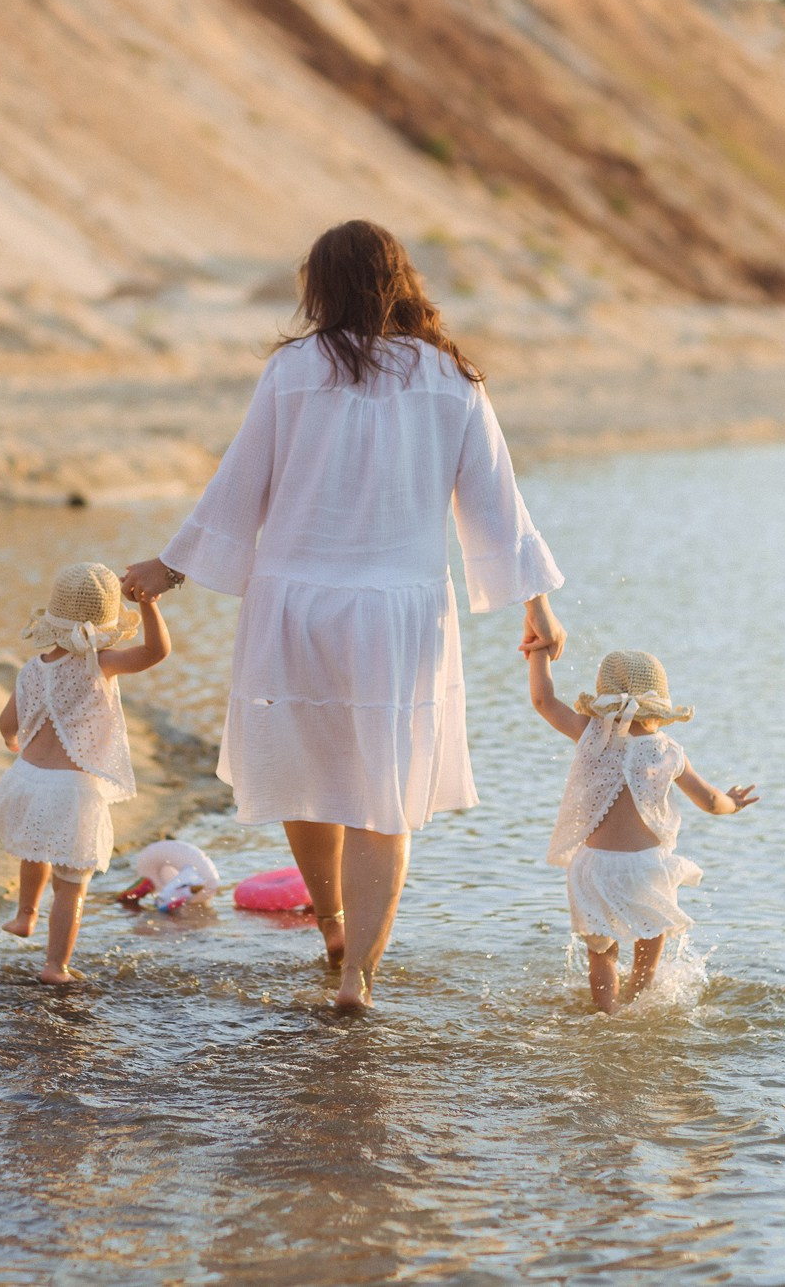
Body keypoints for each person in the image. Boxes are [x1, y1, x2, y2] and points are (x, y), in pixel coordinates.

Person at [123, 219, 565, 1011]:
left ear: (321, 286)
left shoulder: (294, 369)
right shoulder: (450, 376)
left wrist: (170, 567)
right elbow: (497, 505)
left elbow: (240, 482)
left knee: (303, 774)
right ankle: (358, 972)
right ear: (402, 281)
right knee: (381, 796)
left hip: (295, 601)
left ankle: (330, 924)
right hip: (400, 615)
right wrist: (537, 605)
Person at [529, 646, 759, 1013]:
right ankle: (637, 1008)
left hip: (594, 867)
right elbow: (710, 801)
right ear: (659, 705)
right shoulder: (668, 751)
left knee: (602, 955)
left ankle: (606, 1016)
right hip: (647, 869)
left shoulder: (590, 733)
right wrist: (733, 802)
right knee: (648, 953)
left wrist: (539, 653)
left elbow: (543, 701)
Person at [0, 561, 171, 984]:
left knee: (34, 850)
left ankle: (25, 915)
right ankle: (56, 967)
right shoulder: (100, 664)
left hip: (29, 780)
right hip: (71, 790)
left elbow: (7, 723)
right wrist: (149, 606)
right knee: (71, 884)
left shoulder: (33, 668)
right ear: (105, 624)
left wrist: (13, 742)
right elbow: (156, 652)